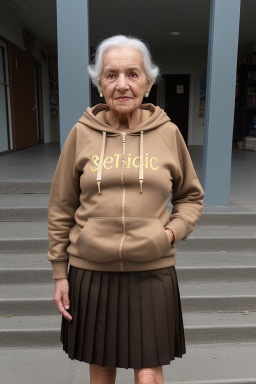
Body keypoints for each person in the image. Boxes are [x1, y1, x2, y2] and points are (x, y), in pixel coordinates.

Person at [47, 34, 204, 384]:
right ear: (99, 83)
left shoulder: (169, 133)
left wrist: (167, 234)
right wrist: (60, 271)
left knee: (148, 371)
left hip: (152, 270)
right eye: (111, 75)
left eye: (133, 74)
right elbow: (61, 206)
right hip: (91, 271)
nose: (122, 85)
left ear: (148, 83)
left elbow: (191, 197)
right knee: (101, 369)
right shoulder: (81, 134)